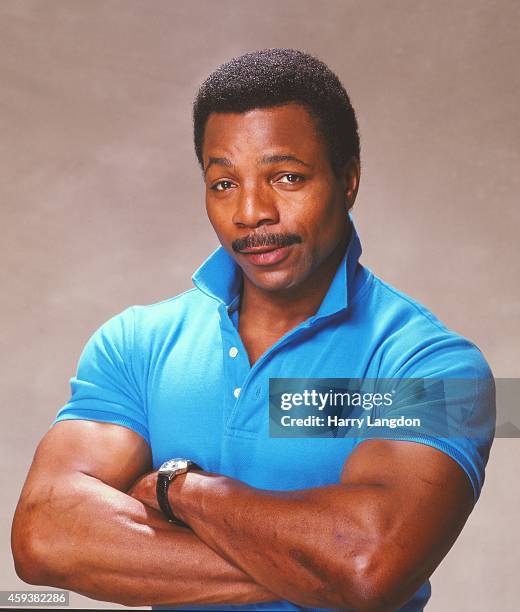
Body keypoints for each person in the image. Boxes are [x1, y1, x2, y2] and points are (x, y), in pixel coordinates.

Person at [11, 48, 494, 611]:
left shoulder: (435, 370)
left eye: (286, 177)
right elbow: (43, 537)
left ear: (349, 178)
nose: (251, 212)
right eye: (223, 184)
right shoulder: (135, 344)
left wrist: (179, 490)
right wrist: (311, 571)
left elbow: (367, 565)